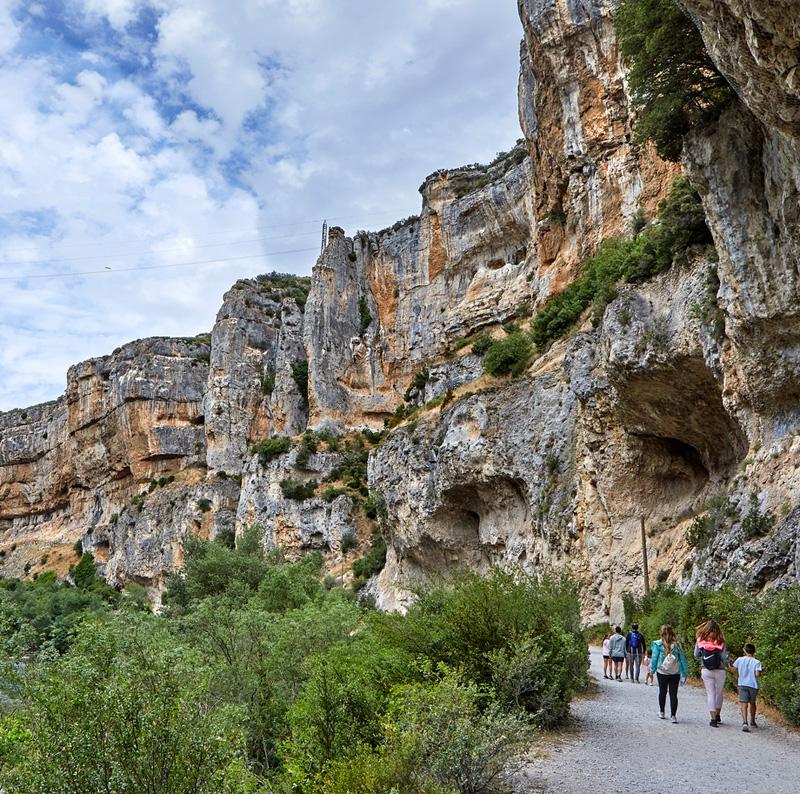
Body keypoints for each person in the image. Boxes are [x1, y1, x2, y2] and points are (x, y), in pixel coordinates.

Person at [695, 619, 729, 727]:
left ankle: (713, 719)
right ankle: (718, 715)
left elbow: (696, 654)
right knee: (719, 693)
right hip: (720, 670)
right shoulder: (720, 640)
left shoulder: (700, 640)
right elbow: (724, 657)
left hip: (706, 670)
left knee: (710, 694)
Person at [650, 624, 687, 723]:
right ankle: (673, 716)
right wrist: (684, 672)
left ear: (661, 633)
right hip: (675, 672)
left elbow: (654, 658)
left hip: (662, 672)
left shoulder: (657, 644)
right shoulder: (677, 645)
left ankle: (662, 712)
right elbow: (682, 659)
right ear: (672, 632)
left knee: (662, 692)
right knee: (673, 694)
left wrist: (652, 670)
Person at [730, 643, 763, 732]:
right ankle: (752, 720)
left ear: (744, 650)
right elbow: (757, 674)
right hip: (753, 685)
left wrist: (730, 665)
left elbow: (733, 670)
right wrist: (761, 670)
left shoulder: (740, 660)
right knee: (752, 703)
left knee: (743, 704)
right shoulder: (757, 662)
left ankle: (745, 722)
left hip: (742, 684)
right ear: (754, 651)